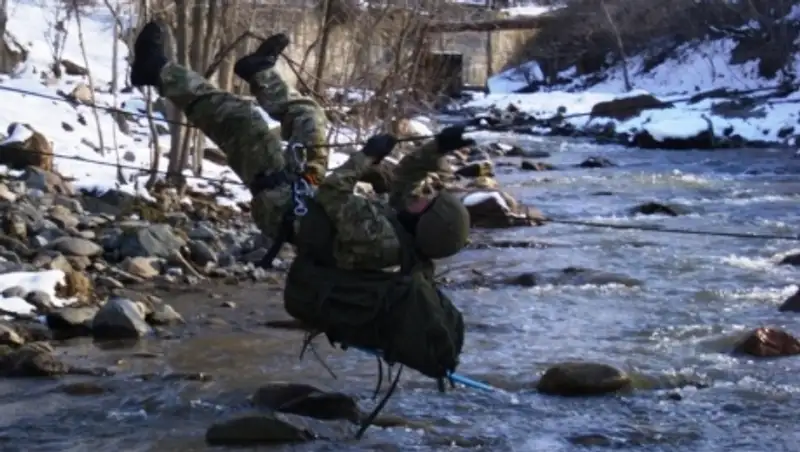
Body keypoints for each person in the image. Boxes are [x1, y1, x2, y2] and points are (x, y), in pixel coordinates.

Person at [129, 21, 476, 270]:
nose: (423, 196)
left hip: (281, 206)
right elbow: (405, 177)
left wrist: (367, 156)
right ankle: (259, 71)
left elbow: (335, 194)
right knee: (311, 117)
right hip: (307, 194)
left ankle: (156, 70)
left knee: (243, 122)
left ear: (427, 223)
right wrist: (438, 147)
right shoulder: (407, 224)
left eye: (428, 202)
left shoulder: (382, 240)